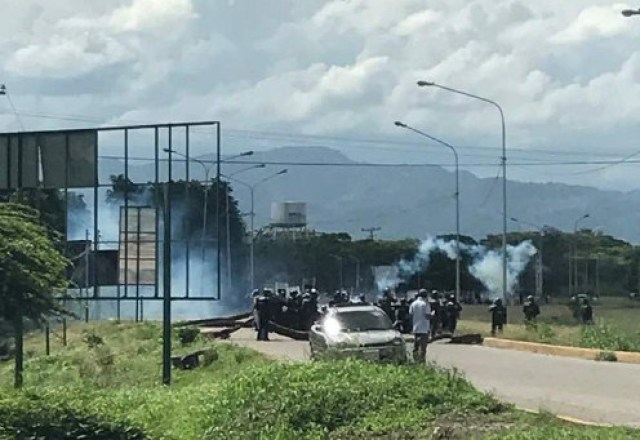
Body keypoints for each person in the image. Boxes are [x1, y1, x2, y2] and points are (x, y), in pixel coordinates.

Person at [409, 289, 432, 364]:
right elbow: (427, 316)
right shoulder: (425, 304)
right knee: (423, 347)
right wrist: (432, 315)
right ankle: (422, 362)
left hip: (416, 328)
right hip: (424, 328)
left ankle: (415, 360)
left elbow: (410, 315)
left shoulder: (413, 304)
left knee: (416, 346)